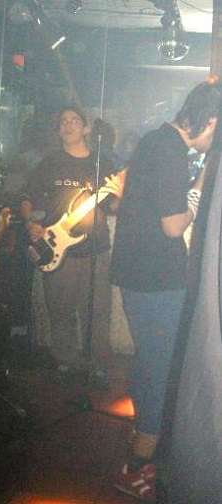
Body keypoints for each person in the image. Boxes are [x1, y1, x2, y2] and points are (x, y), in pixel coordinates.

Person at [110, 77, 222, 502]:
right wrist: (197, 192)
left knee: (149, 364)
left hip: (140, 276)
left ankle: (142, 435)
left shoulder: (155, 141)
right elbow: (173, 225)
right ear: (211, 122)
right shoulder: (171, 150)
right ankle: (137, 467)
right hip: (156, 280)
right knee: (162, 371)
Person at [20, 105, 124, 385]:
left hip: (96, 250)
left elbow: (114, 206)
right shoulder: (50, 163)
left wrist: (121, 195)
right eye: (63, 121)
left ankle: (98, 365)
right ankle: (65, 361)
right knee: (60, 309)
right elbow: (27, 196)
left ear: (87, 128)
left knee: (98, 311)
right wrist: (30, 222)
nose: (68, 125)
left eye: (74, 120)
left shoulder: (102, 165)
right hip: (58, 250)